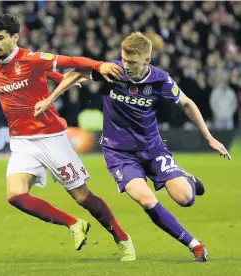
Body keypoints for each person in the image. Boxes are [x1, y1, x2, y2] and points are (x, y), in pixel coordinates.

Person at [38, 32, 232, 262]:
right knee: (147, 200)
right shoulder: (113, 71)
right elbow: (76, 72)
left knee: (186, 198)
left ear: (147, 61)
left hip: (153, 149)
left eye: (131, 62)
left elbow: (187, 104)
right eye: (124, 59)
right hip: (119, 154)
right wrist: (50, 99)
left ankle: (187, 178)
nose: (125, 66)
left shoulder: (160, 80)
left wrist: (209, 138)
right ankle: (194, 245)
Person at [0, 14, 136, 261]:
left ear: (15, 37)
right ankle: (74, 224)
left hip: (50, 137)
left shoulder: (31, 58)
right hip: (22, 141)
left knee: (82, 196)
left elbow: (70, 61)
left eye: (1, 38)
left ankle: (122, 238)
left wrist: (98, 66)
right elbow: (42, 76)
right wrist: (58, 80)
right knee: (15, 195)